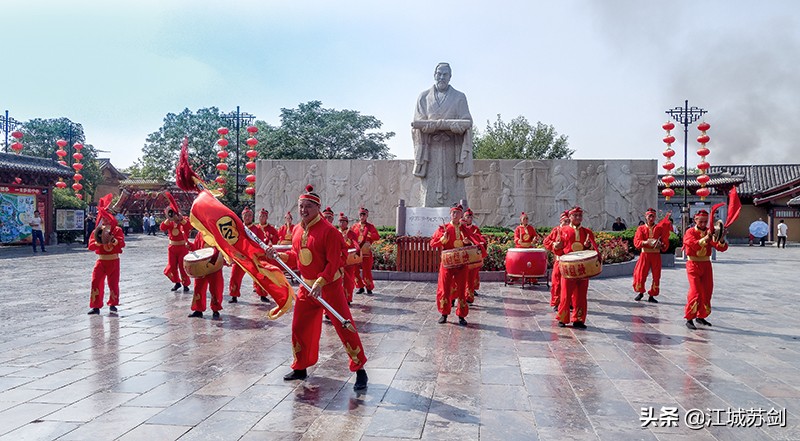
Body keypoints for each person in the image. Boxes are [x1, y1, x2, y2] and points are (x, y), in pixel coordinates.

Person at [268, 185, 368, 391]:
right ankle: (301, 366)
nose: (303, 210)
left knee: (344, 325)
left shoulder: (329, 231)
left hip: (329, 286)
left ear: (317, 208)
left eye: (308, 206)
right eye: (300, 206)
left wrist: (321, 282)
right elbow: (297, 257)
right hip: (306, 286)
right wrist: (278, 257)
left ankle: (360, 369)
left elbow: (335, 261)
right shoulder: (297, 230)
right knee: (299, 327)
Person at [412, 62, 474, 206]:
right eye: (439, 74)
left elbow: (467, 120)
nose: (441, 77)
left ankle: (456, 213)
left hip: (452, 148)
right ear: (434, 75)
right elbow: (418, 121)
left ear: (450, 77)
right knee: (430, 183)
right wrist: (427, 126)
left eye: (445, 74)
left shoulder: (459, 97)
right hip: (430, 149)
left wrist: (457, 127)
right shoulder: (424, 97)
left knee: (454, 183)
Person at [429, 204, 482, 325]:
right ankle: (444, 314)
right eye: (453, 213)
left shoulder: (464, 229)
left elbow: (475, 241)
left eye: (458, 213)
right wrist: (443, 240)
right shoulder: (444, 228)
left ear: (460, 215)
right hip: (447, 264)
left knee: (462, 289)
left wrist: (468, 243)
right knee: (445, 288)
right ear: (450, 215)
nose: (455, 215)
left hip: (461, 264)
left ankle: (461, 316)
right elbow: (432, 243)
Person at [552, 206, 598, 329]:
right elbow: (559, 251)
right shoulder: (563, 231)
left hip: (583, 268)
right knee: (566, 294)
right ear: (570, 217)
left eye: (580, 215)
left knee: (581, 295)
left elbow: (594, 250)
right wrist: (557, 246)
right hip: (568, 268)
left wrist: (588, 246)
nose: (578, 218)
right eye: (575, 215)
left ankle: (578, 319)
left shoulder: (587, 232)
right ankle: (563, 318)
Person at [683, 210, 728, 330]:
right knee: (695, 291)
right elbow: (692, 244)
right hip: (693, 264)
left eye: (705, 221)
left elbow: (720, 247)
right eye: (701, 221)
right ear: (695, 220)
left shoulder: (709, 232)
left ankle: (701, 316)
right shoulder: (690, 232)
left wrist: (721, 238)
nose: (703, 224)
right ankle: (689, 317)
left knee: (707, 291)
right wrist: (706, 238)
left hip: (706, 264)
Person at [87, 194, 125, 315]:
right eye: (103, 218)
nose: (105, 220)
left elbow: (122, 244)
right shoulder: (97, 231)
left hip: (113, 261)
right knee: (95, 281)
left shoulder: (117, 230)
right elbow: (91, 245)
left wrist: (112, 240)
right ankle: (95, 306)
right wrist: (100, 241)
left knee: (113, 283)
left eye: (107, 218)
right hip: (101, 260)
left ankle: (113, 304)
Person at [227, 206, 269, 304]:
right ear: (242, 216)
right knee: (235, 276)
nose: (248, 217)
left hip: (253, 257)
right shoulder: (238, 228)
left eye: (250, 215)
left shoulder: (257, 229)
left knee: (260, 275)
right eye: (246, 215)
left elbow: (261, 243)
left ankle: (262, 295)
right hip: (240, 256)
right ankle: (234, 295)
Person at [632, 208, 669, 303]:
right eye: (649, 216)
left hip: (656, 254)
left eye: (653, 216)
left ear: (655, 217)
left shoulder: (660, 228)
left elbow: (665, 241)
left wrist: (662, 244)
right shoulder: (641, 228)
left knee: (656, 275)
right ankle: (640, 292)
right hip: (645, 254)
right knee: (641, 274)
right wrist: (645, 242)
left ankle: (652, 294)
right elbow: (637, 242)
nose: (651, 218)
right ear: (646, 217)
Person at [187, 230, 224, 319]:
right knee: (198, 287)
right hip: (201, 266)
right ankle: (198, 309)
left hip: (214, 265)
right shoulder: (200, 233)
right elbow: (196, 248)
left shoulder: (217, 233)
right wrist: (189, 246)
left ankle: (215, 310)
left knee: (216, 288)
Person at [160, 203, 191, 292]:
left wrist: (181, 219)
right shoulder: (170, 221)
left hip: (182, 247)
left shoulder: (184, 219)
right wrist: (169, 218)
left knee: (182, 267)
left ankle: (185, 284)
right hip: (172, 247)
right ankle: (177, 282)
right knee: (172, 267)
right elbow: (162, 228)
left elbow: (189, 226)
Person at [543, 210, 570, 311]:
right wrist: (554, 245)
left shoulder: (572, 231)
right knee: (557, 283)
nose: (566, 223)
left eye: (568, 221)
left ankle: (569, 302)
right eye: (565, 221)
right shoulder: (556, 230)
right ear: (561, 221)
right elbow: (546, 241)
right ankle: (556, 302)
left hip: (570, 262)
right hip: (559, 261)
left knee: (570, 284)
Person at [351, 207, 380, 294]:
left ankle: (369, 287)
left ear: (367, 216)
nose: (362, 217)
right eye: (361, 215)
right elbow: (351, 237)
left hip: (366, 252)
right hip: (357, 251)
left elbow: (377, 237)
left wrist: (369, 234)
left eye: (364, 215)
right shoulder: (355, 226)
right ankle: (360, 286)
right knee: (355, 271)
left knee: (366, 271)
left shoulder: (370, 227)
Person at [461, 208, 486, 303]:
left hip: (472, 254)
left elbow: (480, 239)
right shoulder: (460, 228)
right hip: (463, 255)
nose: (469, 218)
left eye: (470, 217)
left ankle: (470, 292)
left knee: (473, 274)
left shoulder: (475, 229)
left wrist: (475, 242)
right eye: (467, 216)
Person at [338, 213, 359, 304]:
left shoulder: (351, 233)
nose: (342, 223)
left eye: (344, 221)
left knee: (348, 280)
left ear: (347, 223)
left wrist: (357, 249)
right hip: (339, 260)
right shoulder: (336, 232)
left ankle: (348, 298)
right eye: (340, 221)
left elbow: (355, 243)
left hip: (349, 259)